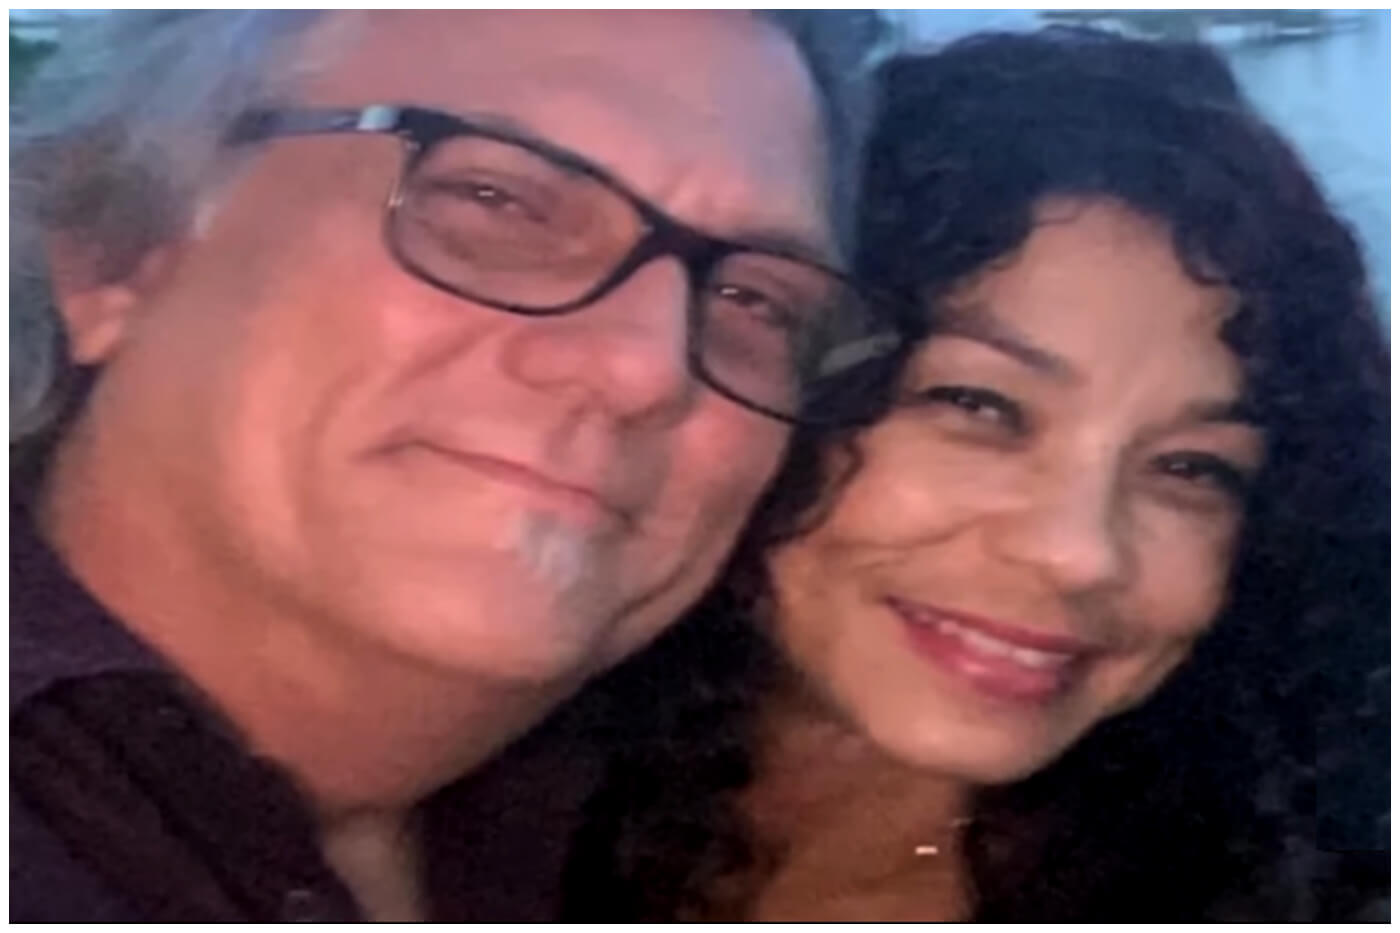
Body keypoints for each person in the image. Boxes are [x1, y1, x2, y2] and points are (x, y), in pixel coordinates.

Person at [9, 10, 908, 921]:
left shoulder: (655, 840)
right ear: (117, 249)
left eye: (755, 300)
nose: (644, 368)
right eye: (496, 201)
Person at [562, 28, 1389, 921]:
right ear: (778, 376)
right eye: (979, 405)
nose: (1077, 553)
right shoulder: (482, 778)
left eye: (1191, 467)